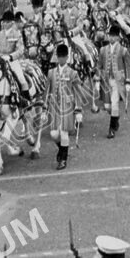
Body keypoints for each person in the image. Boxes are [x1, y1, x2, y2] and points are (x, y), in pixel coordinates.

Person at [45, 42, 82, 170]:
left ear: (67, 57)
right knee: (54, 134)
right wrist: (45, 109)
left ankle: (63, 159)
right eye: (59, 56)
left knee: (64, 133)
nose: (61, 59)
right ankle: (62, 149)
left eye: (63, 57)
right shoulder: (51, 73)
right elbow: (47, 92)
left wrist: (78, 111)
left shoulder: (73, 73)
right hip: (54, 108)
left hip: (67, 108)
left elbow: (78, 92)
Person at [98, 24, 130, 138]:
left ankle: (111, 129)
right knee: (107, 107)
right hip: (106, 81)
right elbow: (99, 66)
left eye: (114, 36)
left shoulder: (123, 50)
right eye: (110, 36)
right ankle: (115, 118)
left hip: (118, 81)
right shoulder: (103, 50)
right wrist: (97, 79)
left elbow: (128, 66)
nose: (111, 38)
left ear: (118, 37)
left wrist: (128, 81)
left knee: (115, 103)